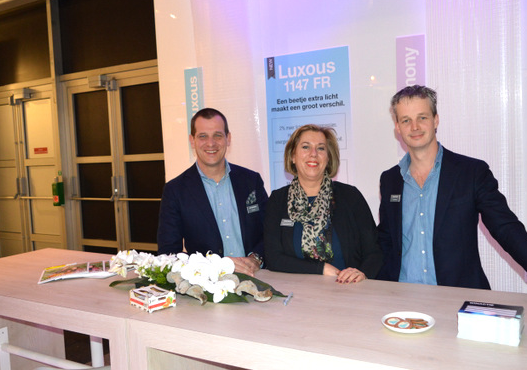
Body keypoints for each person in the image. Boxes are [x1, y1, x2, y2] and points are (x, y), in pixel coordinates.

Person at [377, 85, 527, 314]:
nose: (415, 127)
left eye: (422, 117)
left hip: (459, 303)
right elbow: (385, 241)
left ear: (436, 120)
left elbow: (507, 229)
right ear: (397, 127)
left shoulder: (471, 173)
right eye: (406, 120)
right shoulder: (390, 180)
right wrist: (362, 273)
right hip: (401, 303)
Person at [264, 124, 383, 283]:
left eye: (321, 148)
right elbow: (273, 257)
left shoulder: (350, 196)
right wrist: (320, 269)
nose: (313, 154)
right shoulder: (277, 200)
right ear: (293, 156)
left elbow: (374, 251)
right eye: (305, 147)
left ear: (328, 158)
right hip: (295, 292)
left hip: (346, 290)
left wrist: (362, 273)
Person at [157, 108, 268, 276]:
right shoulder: (175, 190)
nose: (211, 143)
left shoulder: (251, 181)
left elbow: (270, 231)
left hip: (256, 277)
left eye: (218, 135)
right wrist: (216, 266)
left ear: (228, 138)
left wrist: (256, 258)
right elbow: (168, 253)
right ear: (192, 141)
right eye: (203, 136)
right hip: (207, 284)